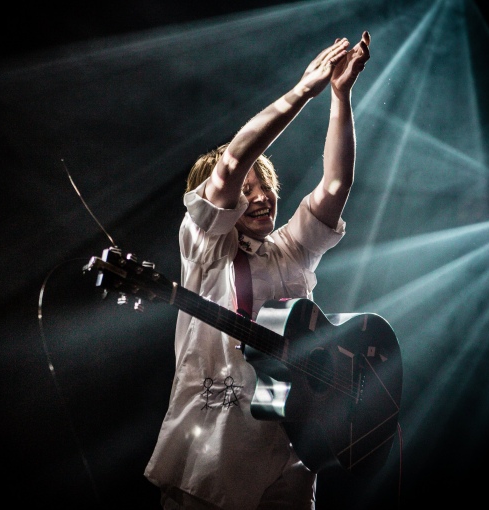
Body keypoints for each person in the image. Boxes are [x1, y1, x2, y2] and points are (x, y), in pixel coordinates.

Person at [144, 31, 372, 510]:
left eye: (266, 184)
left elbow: (335, 184)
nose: (261, 194)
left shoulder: (290, 250)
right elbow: (229, 165)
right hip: (211, 457)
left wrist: (339, 96)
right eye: (250, 187)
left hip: (290, 457)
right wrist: (301, 92)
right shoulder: (204, 248)